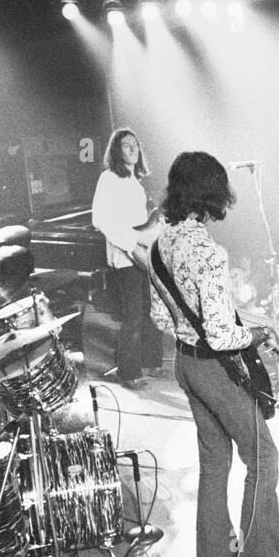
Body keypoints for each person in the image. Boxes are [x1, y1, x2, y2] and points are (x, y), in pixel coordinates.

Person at [142, 151, 279, 557]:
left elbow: (159, 318)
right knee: (264, 457)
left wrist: (190, 320)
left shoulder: (160, 244)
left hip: (185, 365)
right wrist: (260, 334)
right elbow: (222, 335)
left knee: (214, 462)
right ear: (212, 192)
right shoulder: (209, 251)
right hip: (215, 369)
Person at [92, 128, 164, 389]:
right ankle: (128, 372)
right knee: (133, 315)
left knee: (153, 311)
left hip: (145, 251)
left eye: (135, 145)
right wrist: (131, 244)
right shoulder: (109, 178)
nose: (133, 149)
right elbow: (100, 219)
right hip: (127, 255)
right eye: (126, 146)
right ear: (116, 150)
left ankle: (152, 361)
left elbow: (144, 221)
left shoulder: (138, 180)